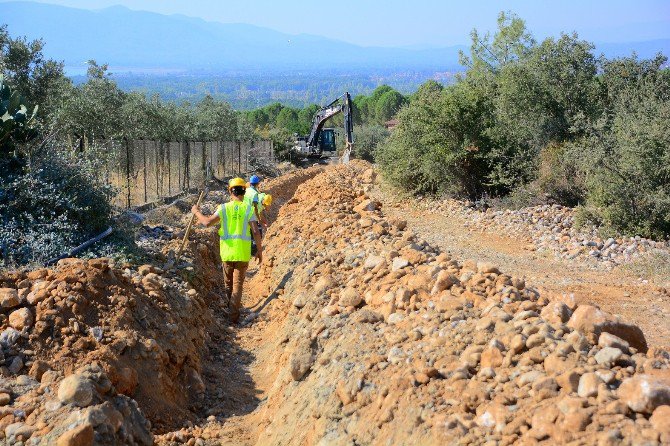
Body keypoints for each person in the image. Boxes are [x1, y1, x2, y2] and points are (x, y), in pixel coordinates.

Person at [192, 177, 262, 323]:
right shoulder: (248, 209)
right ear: (244, 190)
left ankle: (232, 311)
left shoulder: (223, 208)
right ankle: (233, 314)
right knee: (238, 285)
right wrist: (259, 251)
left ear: (230, 191)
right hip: (242, 253)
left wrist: (196, 212)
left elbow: (206, 223)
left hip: (227, 253)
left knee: (228, 284)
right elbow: (256, 231)